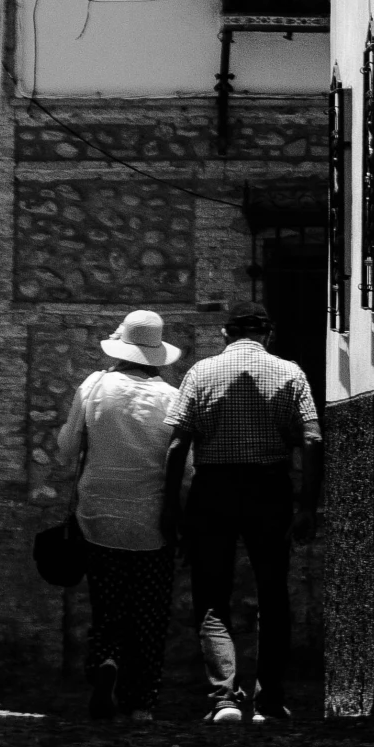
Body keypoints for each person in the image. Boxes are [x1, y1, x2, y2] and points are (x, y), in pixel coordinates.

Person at [162, 301, 322, 725]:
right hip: (269, 489)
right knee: (273, 594)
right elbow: (312, 439)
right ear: (268, 335)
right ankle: (268, 700)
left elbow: (177, 446)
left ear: (225, 334)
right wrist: (307, 504)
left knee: (212, 596)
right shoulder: (291, 373)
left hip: (213, 489)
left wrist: (172, 508)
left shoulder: (200, 372)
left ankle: (224, 700)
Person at [56, 308, 182, 721]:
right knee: (147, 612)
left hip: (98, 515)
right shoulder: (171, 397)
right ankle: (140, 701)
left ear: (120, 346)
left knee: (107, 603)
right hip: (152, 523)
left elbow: (67, 448)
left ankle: (106, 661)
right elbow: (188, 468)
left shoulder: (94, 386)